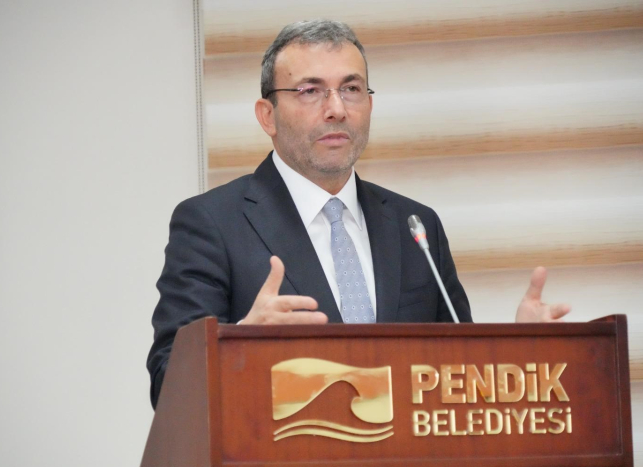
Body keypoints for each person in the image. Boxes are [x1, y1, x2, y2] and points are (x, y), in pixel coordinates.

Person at [147, 20, 570, 408]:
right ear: (267, 116)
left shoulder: (415, 226)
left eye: (351, 88)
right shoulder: (212, 224)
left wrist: (521, 353)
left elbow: (456, 374)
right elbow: (167, 386)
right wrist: (238, 342)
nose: (336, 109)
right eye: (310, 91)